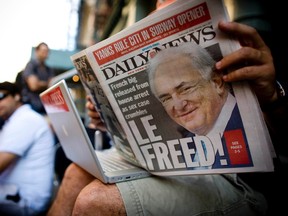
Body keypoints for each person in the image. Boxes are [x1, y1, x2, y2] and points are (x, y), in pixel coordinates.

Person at [46, 20, 288, 216]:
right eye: (166, 98)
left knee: (94, 202)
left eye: (185, 89)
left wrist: (273, 99)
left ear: (216, 82)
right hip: (186, 171)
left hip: (245, 186)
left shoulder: (245, 47)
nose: (178, 105)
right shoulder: (188, 126)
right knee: (75, 173)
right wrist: (110, 121)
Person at [0, 82, 56, 216]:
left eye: (1, 96)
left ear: (17, 96)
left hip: (24, 198)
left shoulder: (26, 119)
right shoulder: (12, 121)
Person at [21, 42, 55, 115]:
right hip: (31, 105)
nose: (45, 53)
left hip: (44, 107)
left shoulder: (49, 69)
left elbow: (53, 86)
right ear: (37, 51)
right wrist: (47, 84)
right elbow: (34, 86)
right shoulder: (31, 65)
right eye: (43, 51)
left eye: (46, 51)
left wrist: (40, 83)